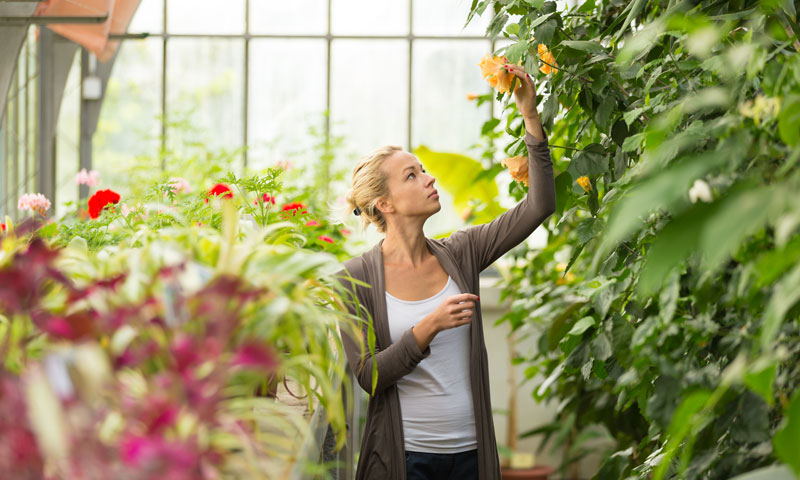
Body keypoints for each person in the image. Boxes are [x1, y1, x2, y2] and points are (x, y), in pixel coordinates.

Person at [332, 63, 555, 480]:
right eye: (412, 176)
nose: (430, 178)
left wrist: (530, 116)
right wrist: (427, 327)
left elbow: (539, 206)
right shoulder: (354, 279)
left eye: (424, 170)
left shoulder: (463, 252)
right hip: (406, 460)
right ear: (386, 204)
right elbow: (369, 375)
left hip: (470, 457)